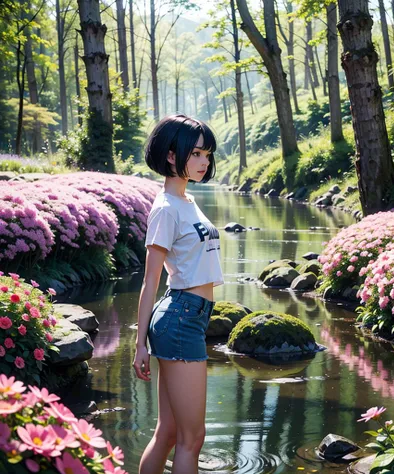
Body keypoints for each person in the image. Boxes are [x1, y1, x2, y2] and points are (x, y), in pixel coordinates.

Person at [133, 114, 224, 474]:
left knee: (169, 431)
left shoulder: (185, 201)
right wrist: (139, 344)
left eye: (208, 154)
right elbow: (149, 280)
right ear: (172, 156)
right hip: (180, 318)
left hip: (190, 316)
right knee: (192, 438)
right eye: (197, 153)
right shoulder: (167, 210)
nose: (204, 162)